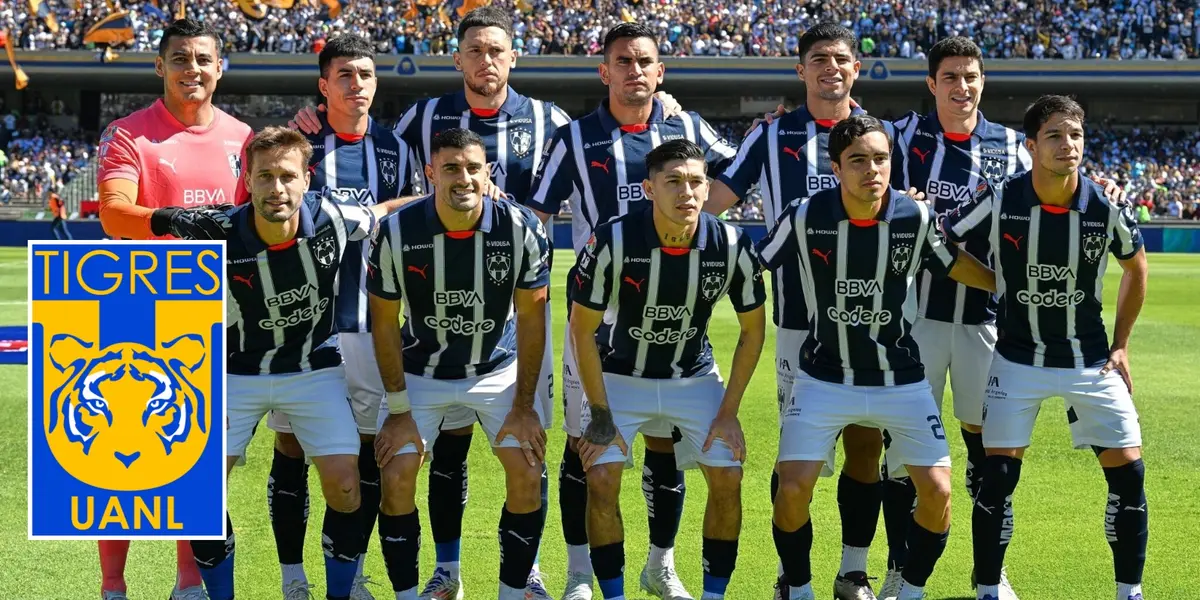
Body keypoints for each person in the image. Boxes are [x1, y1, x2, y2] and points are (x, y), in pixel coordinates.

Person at [141, 126, 411, 600]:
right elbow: (143, 228)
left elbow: (383, 212)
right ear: (247, 180)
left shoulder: (332, 215)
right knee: (198, 489)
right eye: (265, 176)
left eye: (287, 176)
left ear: (307, 178)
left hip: (312, 369)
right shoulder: (216, 229)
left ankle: (338, 595)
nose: (277, 188)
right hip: (235, 371)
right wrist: (155, 216)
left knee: (346, 487)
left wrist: (448, 195)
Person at [526, 22, 738, 600]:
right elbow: (536, 216)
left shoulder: (686, 126)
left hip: (672, 313)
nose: (634, 70)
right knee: (586, 448)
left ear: (660, 72)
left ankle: (660, 565)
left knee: (664, 446)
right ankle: (579, 574)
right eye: (623, 61)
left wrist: (700, 230)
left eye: (645, 61)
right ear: (605, 71)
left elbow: (741, 169)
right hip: (597, 315)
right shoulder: (574, 137)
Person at [757, 115, 999, 600]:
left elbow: (951, 263)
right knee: (793, 487)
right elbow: (755, 261)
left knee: (938, 491)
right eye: (858, 160)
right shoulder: (805, 215)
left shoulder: (915, 216)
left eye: (881, 159)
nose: (872, 169)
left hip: (900, 379)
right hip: (823, 376)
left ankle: (908, 592)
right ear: (836, 168)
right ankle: (798, 590)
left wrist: (1004, 287)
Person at [703, 23, 888, 600]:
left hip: (872, 322)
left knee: (865, 446)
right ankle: (793, 576)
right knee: (797, 456)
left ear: (856, 68)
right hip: (798, 324)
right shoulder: (771, 134)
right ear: (800, 69)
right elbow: (714, 202)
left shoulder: (883, 136)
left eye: (840, 59)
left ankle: (853, 571)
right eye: (819, 59)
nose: (831, 67)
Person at [943, 95, 1149, 600]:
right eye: (1054, 135)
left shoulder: (1105, 206)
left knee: (1130, 478)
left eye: (1075, 135)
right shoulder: (1001, 198)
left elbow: (1136, 267)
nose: (1067, 145)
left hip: (1090, 362)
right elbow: (943, 242)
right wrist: (996, 283)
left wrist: (1121, 344)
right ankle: (988, 589)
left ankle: (1130, 592)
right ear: (1032, 146)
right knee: (996, 480)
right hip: (1017, 360)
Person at [94, 16, 254, 600]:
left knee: (195, 457)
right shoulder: (129, 134)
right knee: (118, 453)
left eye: (203, 59)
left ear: (220, 68)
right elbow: (113, 214)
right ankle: (114, 585)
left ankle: (188, 582)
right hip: (135, 308)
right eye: (181, 59)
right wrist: (172, 221)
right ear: (160, 66)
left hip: (212, 319)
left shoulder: (243, 138)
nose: (193, 69)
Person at [569, 139, 767, 600]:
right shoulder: (613, 239)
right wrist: (600, 413)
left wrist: (728, 412)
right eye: (673, 181)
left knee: (728, 476)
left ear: (708, 188)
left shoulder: (732, 243)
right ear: (649, 189)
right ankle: (614, 595)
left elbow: (753, 330)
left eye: (696, 181)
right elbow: (582, 330)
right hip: (621, 376)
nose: (687, 192)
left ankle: (713, 595)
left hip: (693, 378)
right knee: (601, 477)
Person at [365, 128, 551, 600]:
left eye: (473, 168)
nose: (463, 178)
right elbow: (383, 323)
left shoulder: (521, 227)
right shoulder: (395, 231)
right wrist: (399, 411)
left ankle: (514, 592)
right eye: (450, 168)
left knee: (528, 470)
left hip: (496, 369)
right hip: (421, 373)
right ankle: (411, 594)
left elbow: (533, 319)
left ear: (488, 173)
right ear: (431, 174)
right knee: (395, 476)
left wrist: (524, 406)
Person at [262, 33, 415, 600]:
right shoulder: (298, 145)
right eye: (344, 74)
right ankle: (292, 578)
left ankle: (349, 577)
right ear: (323, 85)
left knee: (365, 454)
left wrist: (376, 213)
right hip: (304, 326)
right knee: (291, 449)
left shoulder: (396, 148)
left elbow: (413, 214)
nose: (357, 84)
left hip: (373, 325)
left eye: (366, 74)